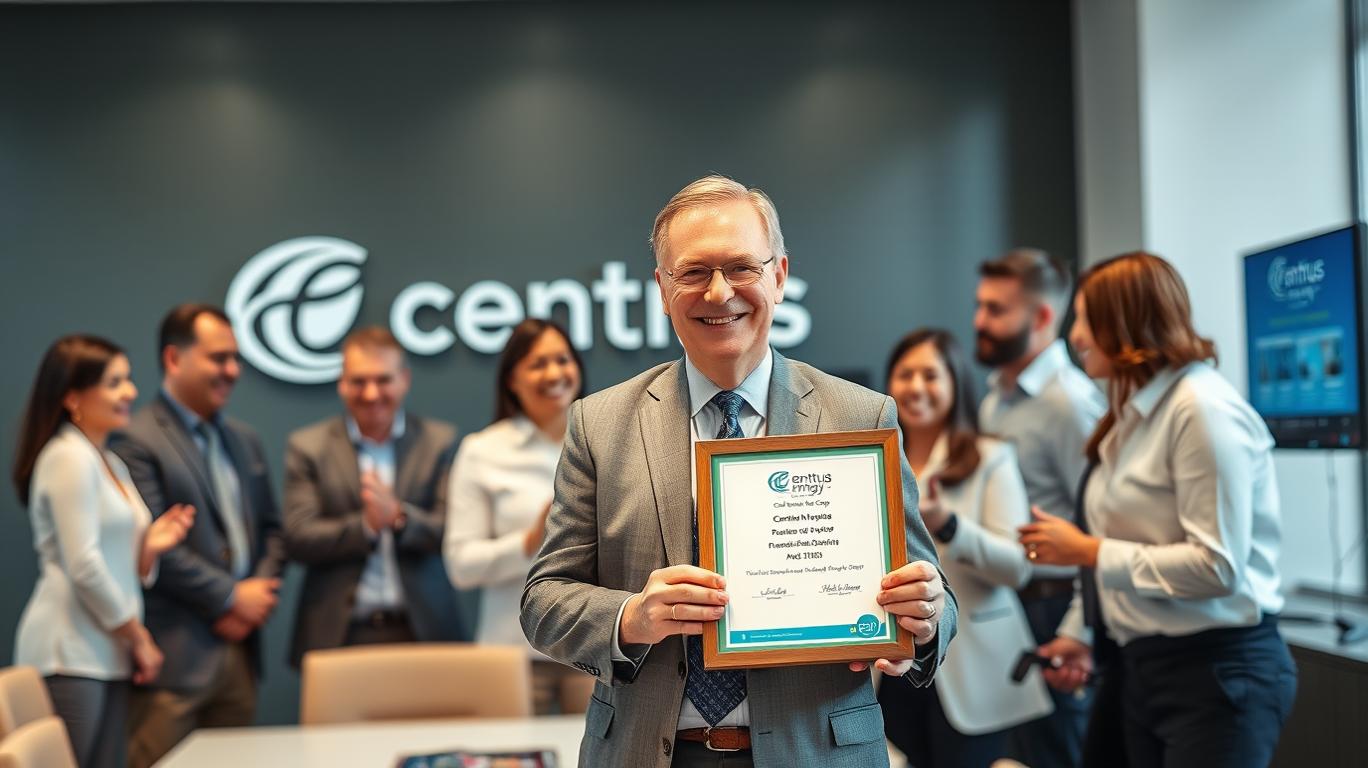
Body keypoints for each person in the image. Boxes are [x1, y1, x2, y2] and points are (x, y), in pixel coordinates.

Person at [520, 174, 956, 767]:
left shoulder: (860, 415)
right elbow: (543, 601)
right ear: (662, 289)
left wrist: (926, 617)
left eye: (742, 267)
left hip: (818, 754)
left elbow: (935, 594)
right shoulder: (599, 424)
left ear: (779, 275)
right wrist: (633, 618)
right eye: (694, 272)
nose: (719, 292)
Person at [1019, 251, 1297, 767]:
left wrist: (1089, 551)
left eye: (1086, 319)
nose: (1074, 336)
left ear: (1128, 321)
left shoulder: (1202, 411)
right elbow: (1126, 547)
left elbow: (1218, 566)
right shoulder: (1134, 412)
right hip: (1142, 665)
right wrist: (1079, 633)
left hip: (1217, 671)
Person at [110, 304, 287, 768]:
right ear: (174, 358)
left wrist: (255, 598)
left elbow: (272, 530)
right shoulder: (135, 439)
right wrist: (230, 598)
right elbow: (151, 548)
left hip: (240, 653)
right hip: (174, 661)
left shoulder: (243, 439)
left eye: (235, 358)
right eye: (218, 358)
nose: (232, 370)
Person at [11, 335, 194, 768]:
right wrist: (139, 638)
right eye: (114, 383)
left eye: (127, 380)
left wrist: (149, 549)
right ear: (72, 397)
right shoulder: (67, 457)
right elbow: (85, 567)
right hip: (70, 651)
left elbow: (117, 566)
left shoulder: (109, 461)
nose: (130, 392)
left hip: (107, 651)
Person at [878, 329, 1051, 768]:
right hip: (894, 660)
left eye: (930, 375)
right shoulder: (873, 459)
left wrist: (950, 526)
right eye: (905, 374)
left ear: (956, 383)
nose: (916, 387)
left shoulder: (990, 457)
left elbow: (1017, 568)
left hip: (975, 663)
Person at [974, 247, 1106, 767]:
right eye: (980, 305)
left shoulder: (1071, 404)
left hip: (1057, 613)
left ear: (1043, 316)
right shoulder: (995, 398)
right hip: (1011, 606)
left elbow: (1101, 526)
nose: (979, 321)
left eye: (996, 309)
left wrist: (1081, 630)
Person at [284, 327, 468, 666]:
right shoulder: (309, 447)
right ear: (341, 383)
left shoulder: (439, 442)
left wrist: (398, 517)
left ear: (404, 380)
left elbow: (453, 529)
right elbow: (298, 536)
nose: (371, 394)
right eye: (359, 381)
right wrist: (366, 525)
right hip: (339, 635)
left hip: (424, 632)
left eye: (383, 380)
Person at [444, 318, 593, 714]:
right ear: (512, 379)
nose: (554, 374)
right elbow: (461, 566)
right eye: (538, 364)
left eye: (562, 360)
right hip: (515, 655)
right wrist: (529, 543)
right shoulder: (482, 451)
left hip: (592, 646)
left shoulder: (604, 439)